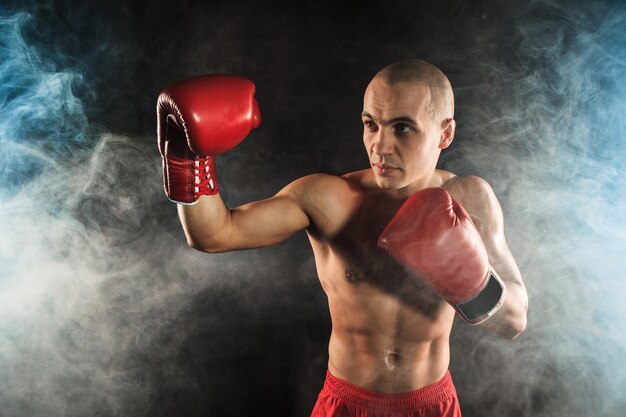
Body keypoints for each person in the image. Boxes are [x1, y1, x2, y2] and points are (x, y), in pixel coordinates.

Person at [156, 59, 529, 417]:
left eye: (402, 128)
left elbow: (514, 321)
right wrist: (185, 160)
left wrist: (470, 281)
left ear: (444, 132)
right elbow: (214, 234)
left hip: (431, 404)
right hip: (347, 404)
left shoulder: (469, 198)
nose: (380, 147)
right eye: (371, 124)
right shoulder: (328, 199)